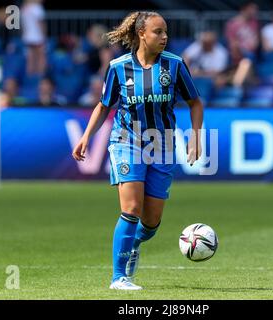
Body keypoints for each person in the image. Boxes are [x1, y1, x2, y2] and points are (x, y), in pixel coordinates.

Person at [71, 11, 203, 290]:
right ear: (141, 34)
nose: (164, 37)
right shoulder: (118, 66)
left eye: (166, 31)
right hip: (126, 141)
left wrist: (195, 136)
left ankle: (133, 244)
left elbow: (195, 102)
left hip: (163, 144)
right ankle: (119, 277)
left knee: (151, 222)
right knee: (131, 208)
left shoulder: (176, 66)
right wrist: (86, 137)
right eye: (158, 32)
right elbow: (104, 104)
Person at [21, 0, 47, 75]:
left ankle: (30, 75)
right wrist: (44, 35)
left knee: (30, 57)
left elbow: (22, 23)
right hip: (37, 35)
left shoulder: (25, 7)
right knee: (41, 56)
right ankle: (40, 75)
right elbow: (41, 23)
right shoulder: (37, 8)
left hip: (27, 35)